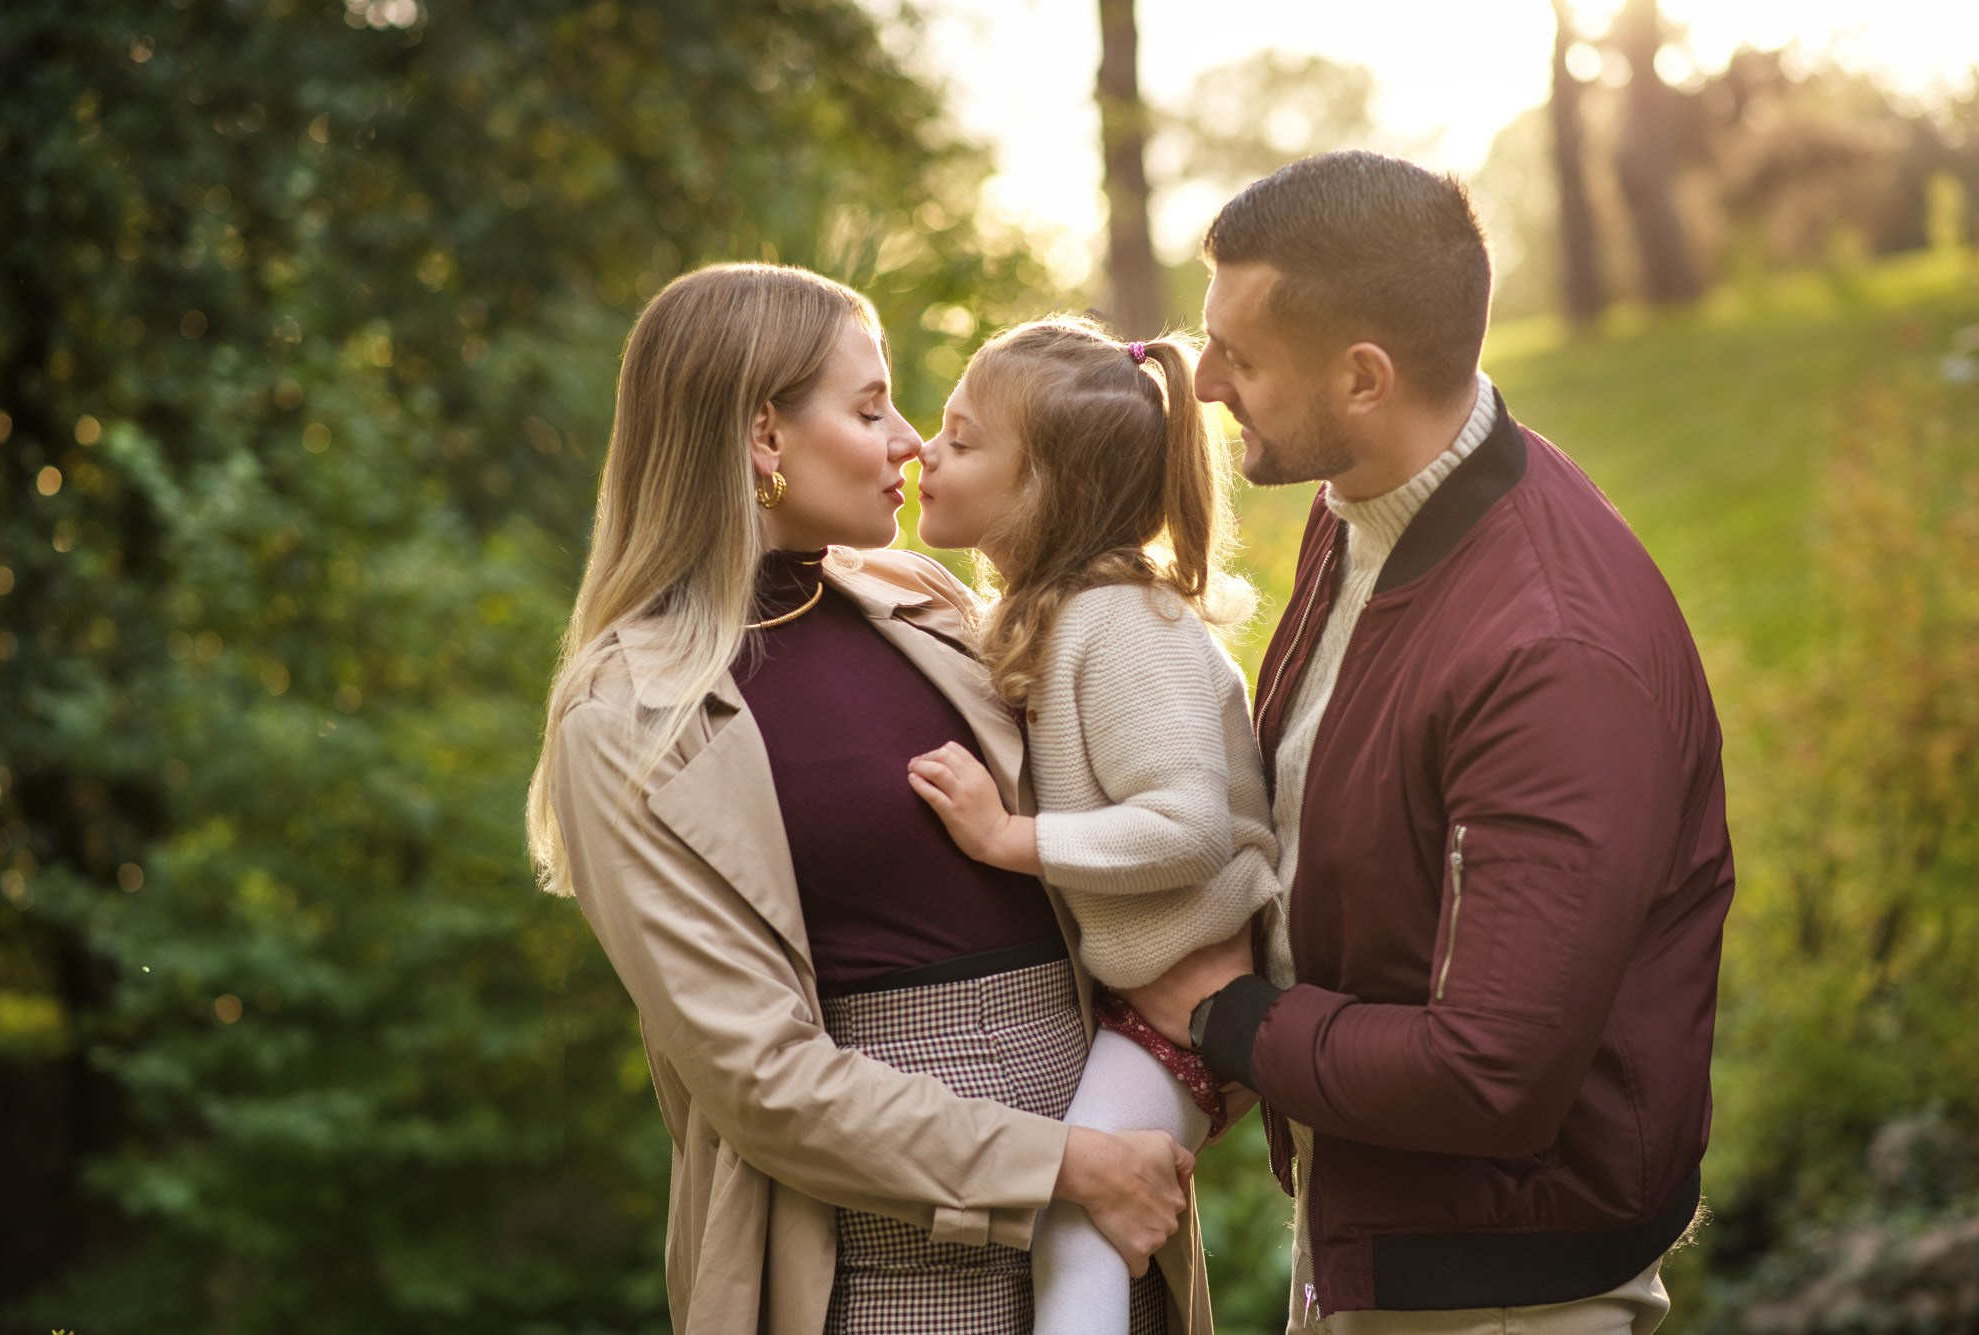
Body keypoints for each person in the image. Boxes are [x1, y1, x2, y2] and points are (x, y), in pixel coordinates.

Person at [526, 264, 1205, 1335]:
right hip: (884, 1273)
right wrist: (1066, 1166)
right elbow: (761, 1081)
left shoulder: (928, 601)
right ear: (763, 437)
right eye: (868, 406)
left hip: (1107, 1243)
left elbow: (1121, 796)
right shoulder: (625, 715)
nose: (907, 442)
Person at [1126, 151, 1737, 1334]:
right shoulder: (1358, 506)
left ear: (1362, 378)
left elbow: (1489, 1074)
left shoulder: (1552, 658)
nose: (1200, 382)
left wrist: (1224, 1014)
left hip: (1504, 1287)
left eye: (1240, 357)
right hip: (1388, 1223)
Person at [904, 316, 1287, 1335]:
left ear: (1043, 488)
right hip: (1148, 1009)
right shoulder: (1063, 614)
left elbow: (1187, 829)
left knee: (1075, 1228)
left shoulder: (1118, 623)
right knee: (1075, 1228)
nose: (923, 453)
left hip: (1185, 1015)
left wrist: (1005, 840)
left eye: (962, 437)